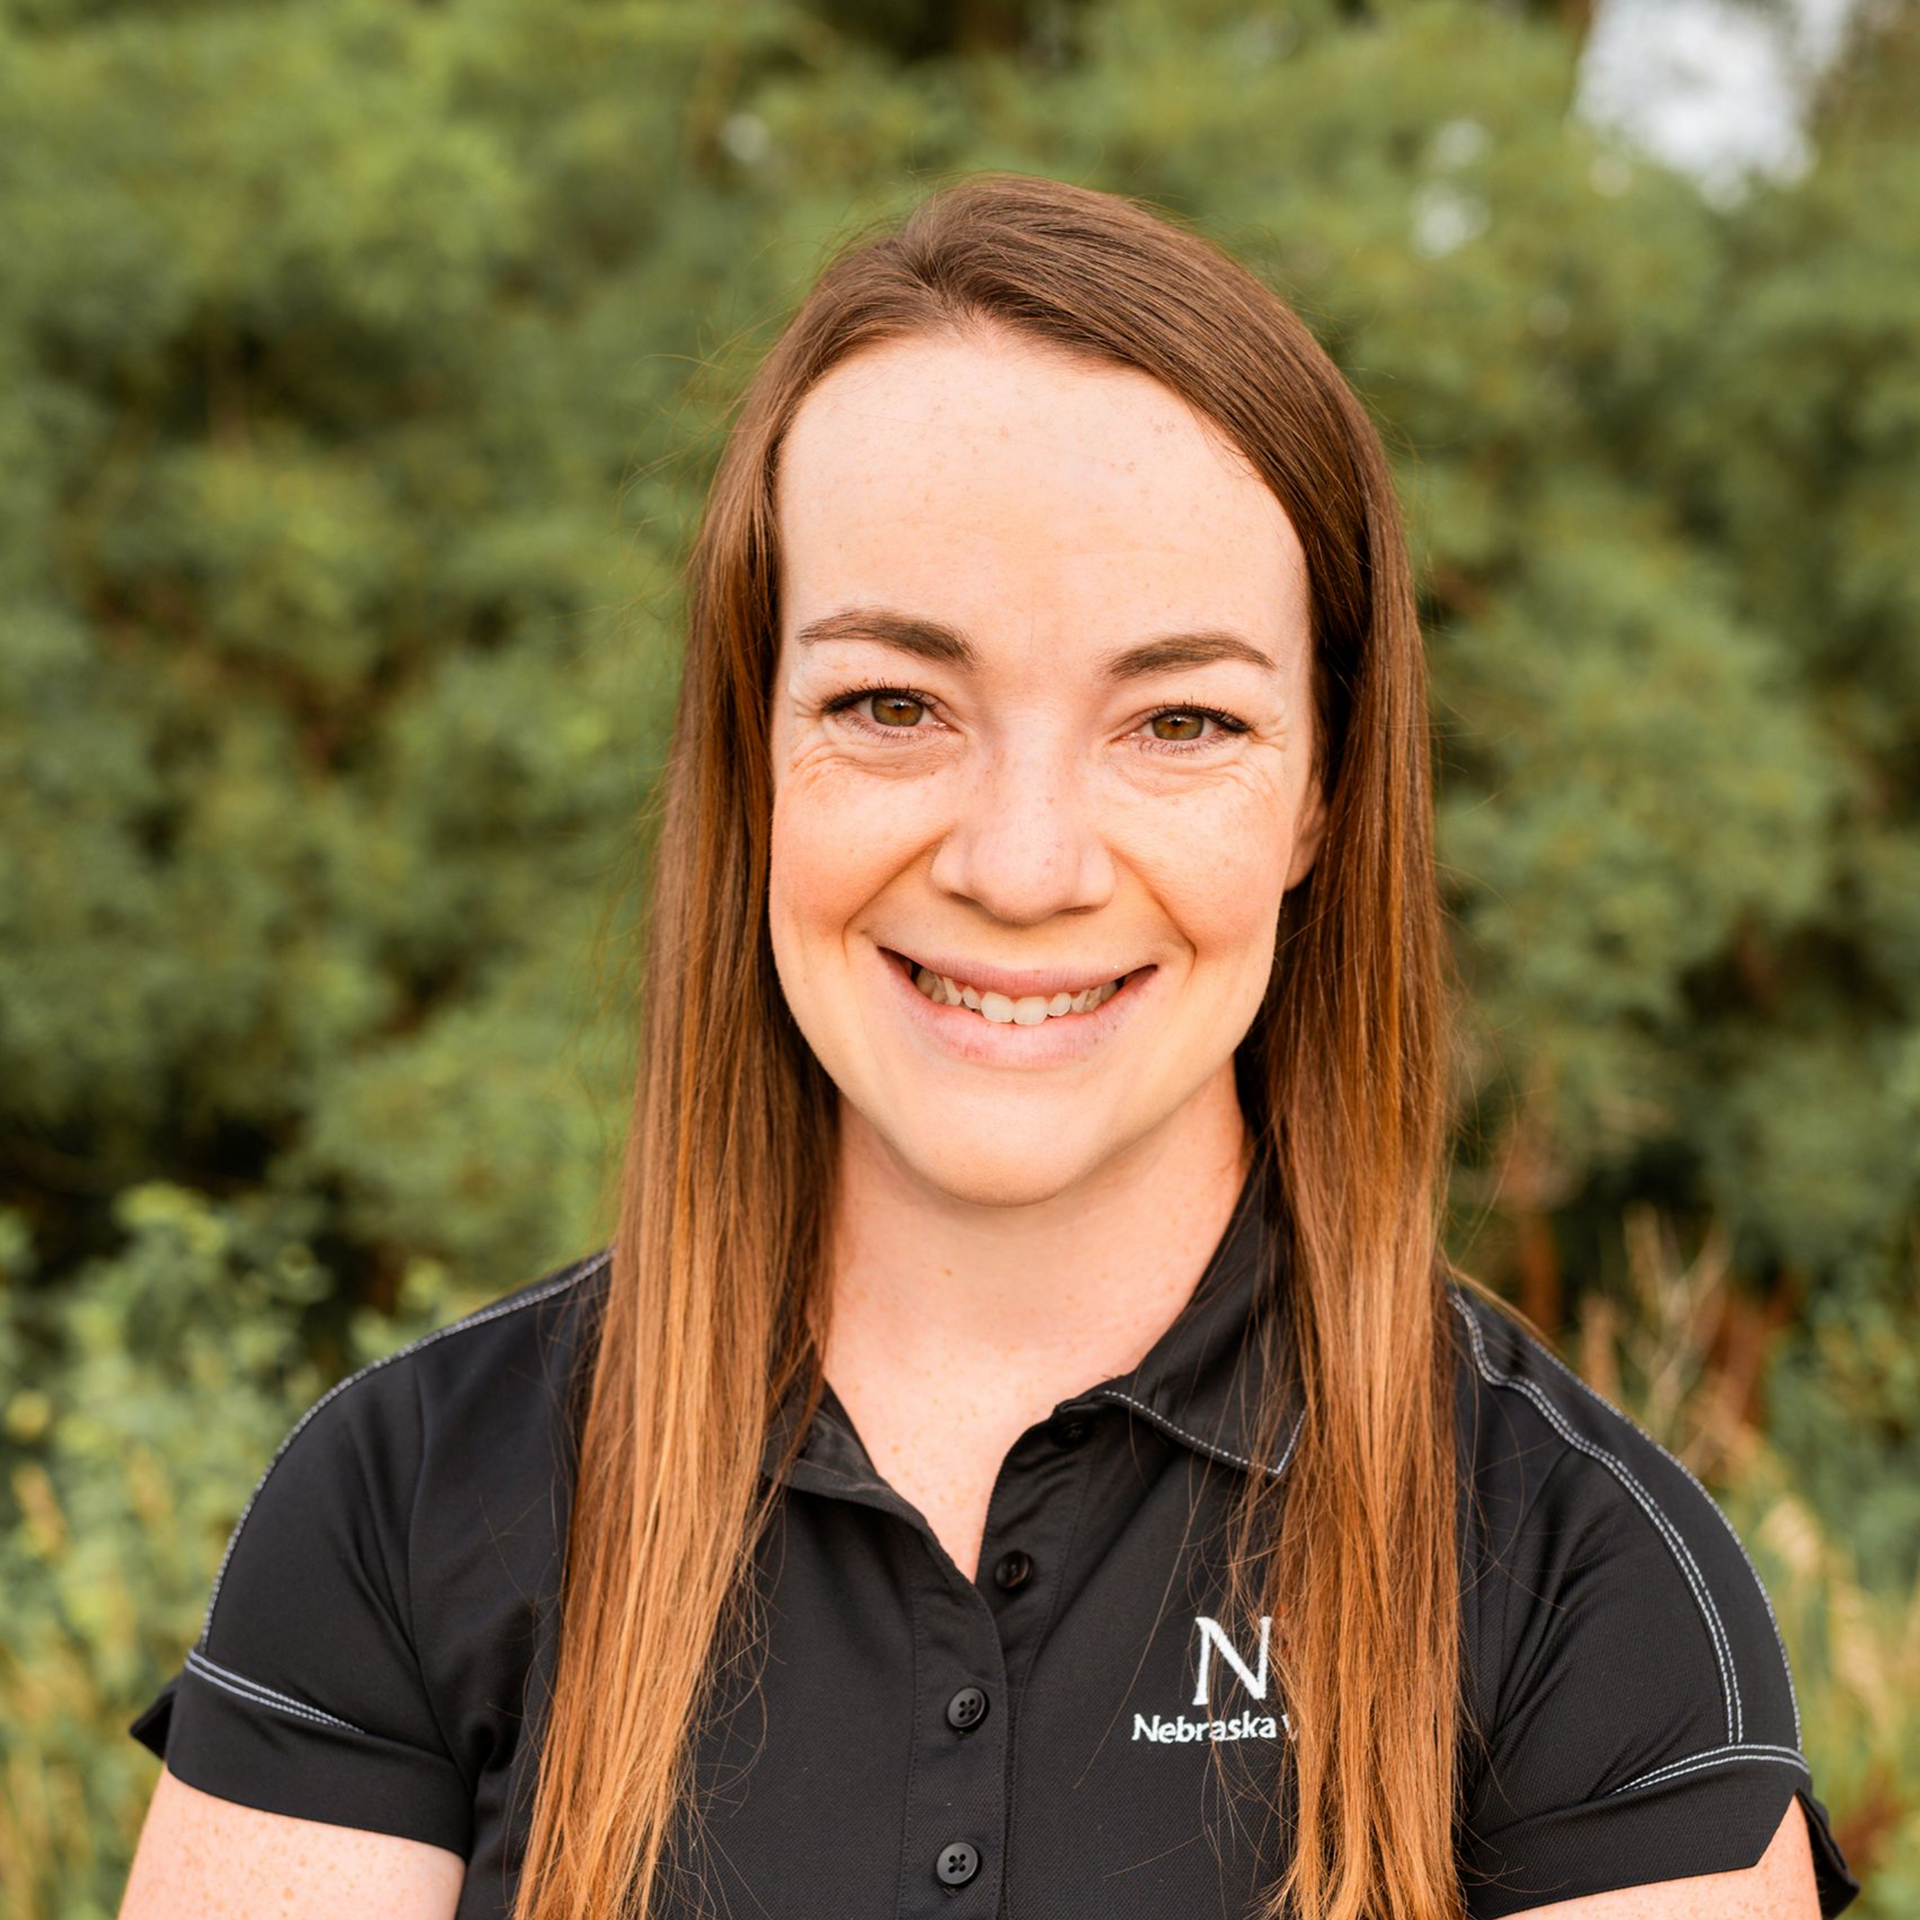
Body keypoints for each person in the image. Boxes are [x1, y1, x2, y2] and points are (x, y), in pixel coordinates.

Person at [116, 172, 1860, 1920]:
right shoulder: (404, 1503)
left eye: (1181, 720)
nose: (1023, 866)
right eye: (893, 705)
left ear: (1325, 791)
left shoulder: (1579, 1575)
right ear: (754, 752)